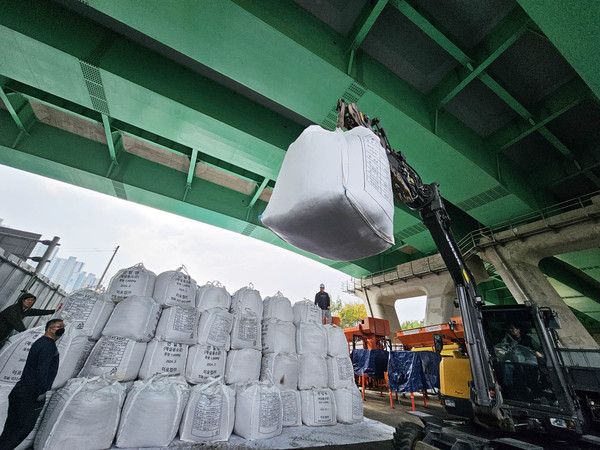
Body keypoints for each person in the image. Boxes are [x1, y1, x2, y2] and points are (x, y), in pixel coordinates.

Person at [0, 319, 65, 450]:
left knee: (11, 428)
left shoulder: (41, 342)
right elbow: (42, 370)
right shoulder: (48, 346)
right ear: (50, 329)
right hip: (30, 393)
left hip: (21, 390)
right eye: (59, 327)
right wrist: (41, 391)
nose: (62, 330)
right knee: (23, 428)